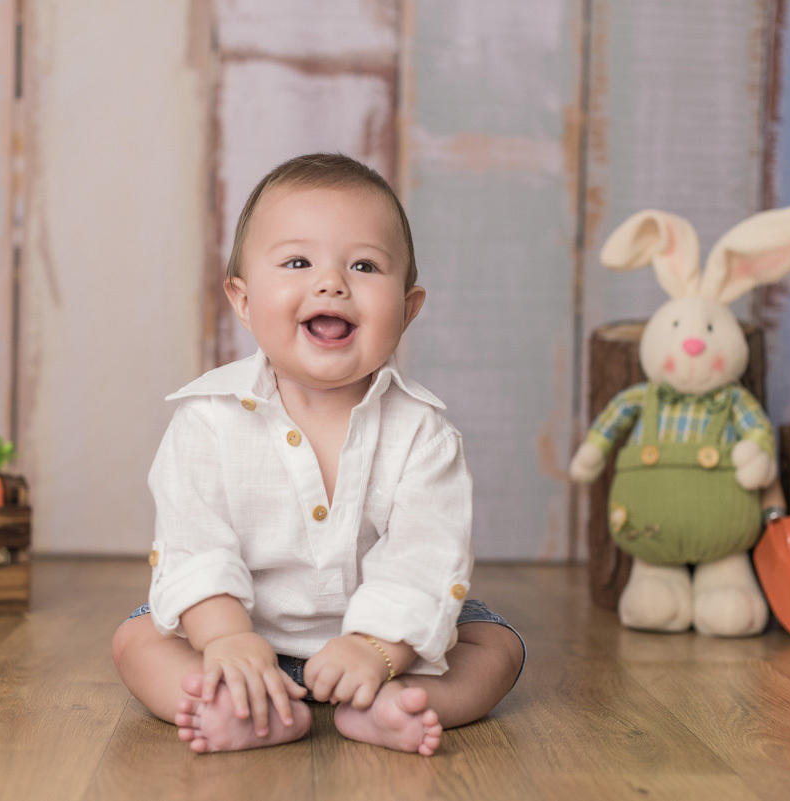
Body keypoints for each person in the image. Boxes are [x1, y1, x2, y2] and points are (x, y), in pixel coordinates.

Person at [112, 153, 525, 756]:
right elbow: (195, 546)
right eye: (298, 262)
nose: (331, 282)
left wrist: (379, 650)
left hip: (390, 648)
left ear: (408, 310)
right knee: (137, 639)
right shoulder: (206, 421)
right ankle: (242, 701)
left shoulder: (423, 434)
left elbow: (425, 558)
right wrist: (226, 638)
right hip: (244, 633)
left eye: (364, 265)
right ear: (244, 299)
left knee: (497, 648)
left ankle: (391, 706)